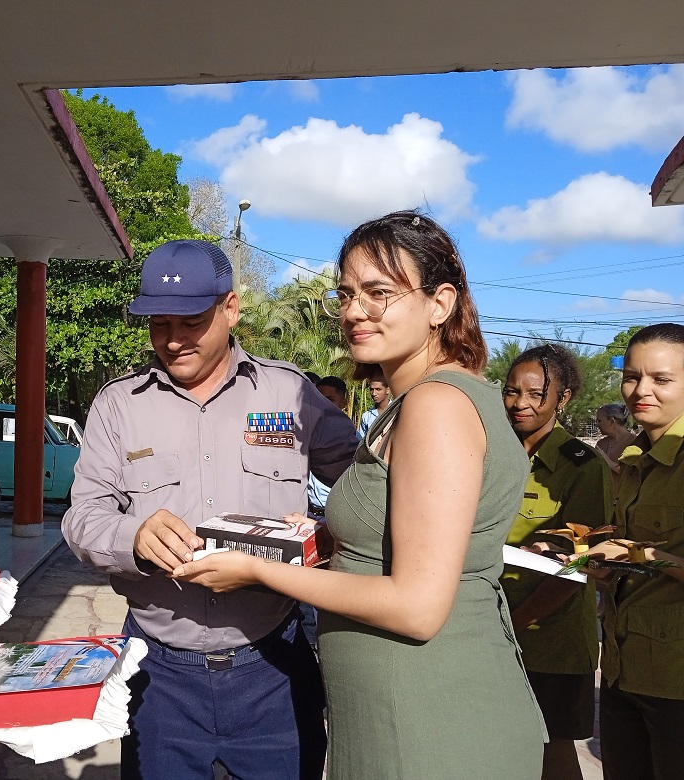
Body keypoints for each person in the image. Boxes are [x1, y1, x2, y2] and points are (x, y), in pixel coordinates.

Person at [172, 212, 545, 780]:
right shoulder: (423, 400)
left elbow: (417, 608)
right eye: (346, 294)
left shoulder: (436, 405)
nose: (353, 311)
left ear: (440, 304)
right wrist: (328, 539)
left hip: (426, 719)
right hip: (402, 709)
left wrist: (258, 570)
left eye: (379, 293)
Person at [62, 239, 359, 780]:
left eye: (191, 322)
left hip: (273, 670)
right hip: (158, 675)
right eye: (158, 324)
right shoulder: (118, 405)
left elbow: (368, 489)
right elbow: (83, 517)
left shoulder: (289, 394)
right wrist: (132, 537)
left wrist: (324, 534)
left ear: (230, 308)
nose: (173, 340)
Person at [569, 323, 684, 780]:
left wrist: (636, 555)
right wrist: (603, 564)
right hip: (623, 667)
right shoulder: (634, 458)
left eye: (662, 379)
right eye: (632, 377)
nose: (641, 391)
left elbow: (646, 554)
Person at [500, 344, 612, 780]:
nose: (520, 403)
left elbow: (578, 567)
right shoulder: (493, 455)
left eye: (536, 394)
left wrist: (515, 623)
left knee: (551, 754)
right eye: (512, 391)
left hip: (551, 642)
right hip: (489, 630)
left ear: (562, 399)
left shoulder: (582, 467)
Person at [308, 376, 353, 513]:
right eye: (318, 399)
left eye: (329, 400)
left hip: (334, 513)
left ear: (343, 402)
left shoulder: (351, 439)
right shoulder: (305, 433)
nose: (322, 405)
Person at [594, 402, 635, 473]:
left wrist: (606, 460)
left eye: (599, 421)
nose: (597, 424)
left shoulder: (635, 442)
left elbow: (632, 474)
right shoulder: (601, 444)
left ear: (612, 421)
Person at [357, 369, 390, 440]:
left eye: (378, 389)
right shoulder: (366, 417)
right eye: (372, 389)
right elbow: (362, 441)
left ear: (387, 390)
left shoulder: (397, 411)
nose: (374, 393)